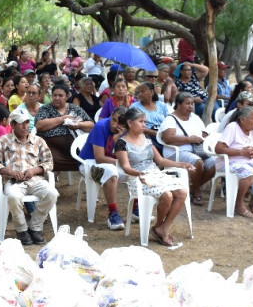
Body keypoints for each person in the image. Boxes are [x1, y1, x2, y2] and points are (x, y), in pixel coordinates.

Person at [114, 108, 196, 244]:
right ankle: (160, 228)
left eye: (145, 122)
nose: (144, 125)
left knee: (182, 192)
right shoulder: (121, 143)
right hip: (138, 179)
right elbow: (126, 167)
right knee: (167, 195)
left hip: (155, 175)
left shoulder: (146, 139)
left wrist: (181, 164)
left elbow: (160, 161)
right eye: (140, 122)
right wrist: (138, 173)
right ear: (129, 122)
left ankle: (162, 227)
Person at [0, 109, 58, 246]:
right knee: (13, 196)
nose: (25, 126)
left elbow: (49, 162)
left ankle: (35, 227)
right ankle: (21, 229)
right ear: (12, 124)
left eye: (27, 122)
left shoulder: (38, 141)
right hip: (13, 182)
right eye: (21, 123)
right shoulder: (3, 141)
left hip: (35, 180)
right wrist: (10, 172)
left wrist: (35, 170)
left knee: (52, 194)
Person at [215, 106, 253, 218]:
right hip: (232, 161)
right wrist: (241, 152)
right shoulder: (232, 127)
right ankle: (238, 204)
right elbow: (218, 148)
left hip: (251, 160)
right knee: (247, 173)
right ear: (242, 119)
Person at [159, 92, 216, 206]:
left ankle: (191, 188)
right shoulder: (171, 119)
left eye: (192, 104)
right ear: (178, 104)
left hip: (196, 150)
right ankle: (197, 191)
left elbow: (204, 132)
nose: (191, 106)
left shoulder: (194, 117)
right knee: (197, 162)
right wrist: (189, 139)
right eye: (187, 103)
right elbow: (167, 138)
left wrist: (202, 137)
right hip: (175, 152)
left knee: (214, 164)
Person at [78, 107, 126, 230]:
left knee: (136, 170)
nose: (115, 125)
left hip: (110, 163)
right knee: (111, 171)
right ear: (111, 115)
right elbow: (99, 158)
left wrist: (118, 139)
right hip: (88, 163)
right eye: (113, 120)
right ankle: (113, 213)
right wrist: (122, 162)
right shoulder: (100, 126)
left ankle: (136, 208)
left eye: (119, 123)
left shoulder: (126, 130)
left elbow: (124, 154)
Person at [35, 84, 94, 172]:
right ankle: (52, 176)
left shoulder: (75, 108)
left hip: (74, 145)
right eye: (54, 95)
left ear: (67, 96)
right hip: (51, 144)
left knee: (86, 159)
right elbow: (39, 125)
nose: (57, 98)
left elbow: (92, 125)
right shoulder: (45, 109)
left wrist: (79, 124)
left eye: (60, 95)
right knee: (50, 160)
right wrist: (61, 119)